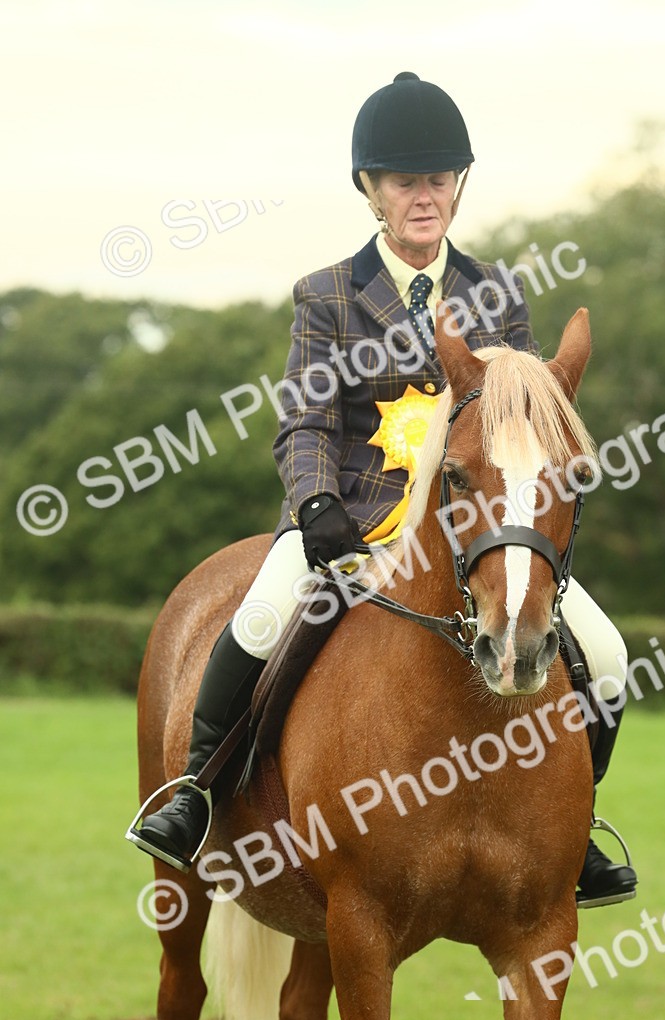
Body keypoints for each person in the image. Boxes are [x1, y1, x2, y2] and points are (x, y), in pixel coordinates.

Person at [130, 72, 638, 908]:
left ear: (457, 186)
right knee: (258, 619)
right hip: (350, 524)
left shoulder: (497, 294)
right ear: (371, 190)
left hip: (474, 533)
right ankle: (196, 793)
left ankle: (576, 828)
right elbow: (302, 424)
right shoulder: (327, 294)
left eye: (438, 180)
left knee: (609, 655)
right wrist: (315, 506)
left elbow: (524, 418)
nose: (424, 196)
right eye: (406, 182)